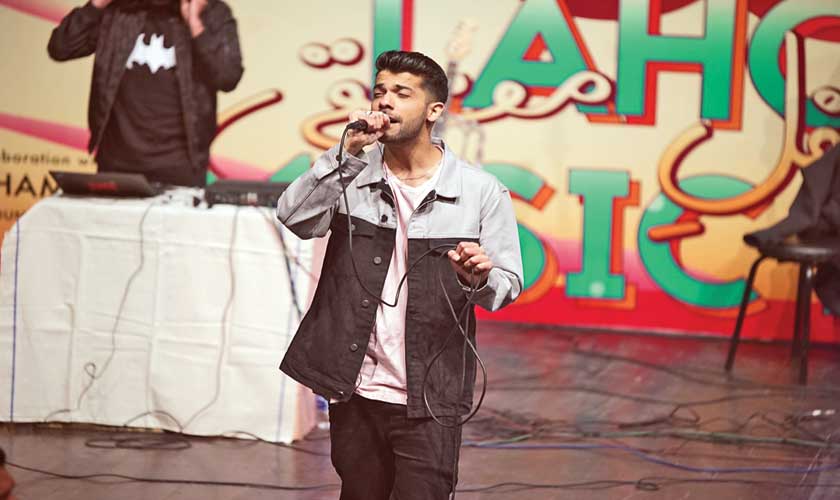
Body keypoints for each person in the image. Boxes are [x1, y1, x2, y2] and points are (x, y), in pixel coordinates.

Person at [276, 50, 523, 500]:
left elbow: (507, 285)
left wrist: (475, 279)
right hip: (355, 387)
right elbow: (295, 218)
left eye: (402, 93)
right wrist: (345, 153)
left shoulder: (480, 191)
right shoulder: (350, 173)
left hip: (429, 394)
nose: (385, 101)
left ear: (434, 111)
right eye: (380, 91)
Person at [47, 0, 243, 187]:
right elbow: (60, 48)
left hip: (181, 165)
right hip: (117, 161)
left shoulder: (211, 12)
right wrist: (97, 4)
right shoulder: (118, 10)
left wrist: (195, 24)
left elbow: (228, 77)